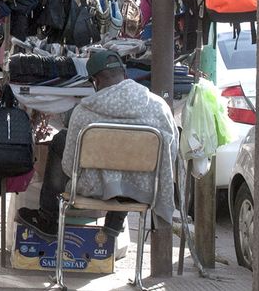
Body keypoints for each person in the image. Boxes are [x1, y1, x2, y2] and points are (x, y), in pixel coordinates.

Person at [16, 50, 178, 239]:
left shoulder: (84, 112)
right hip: (143, 190)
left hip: (93, 188)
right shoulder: (160, 108)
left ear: (95, 82)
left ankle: (48, 218)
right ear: (125, 76)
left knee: (61, 139)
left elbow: (69, 167)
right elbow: (169, 155)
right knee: (127, 158)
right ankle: (114, 223)